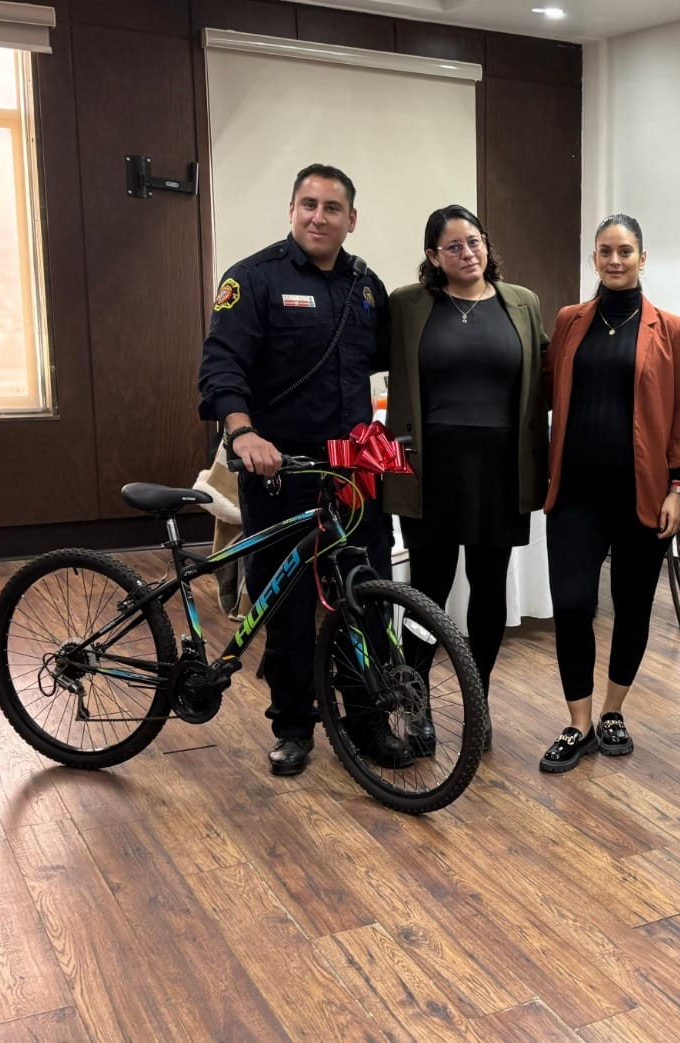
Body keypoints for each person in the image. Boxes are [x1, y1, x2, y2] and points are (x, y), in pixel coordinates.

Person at [196, 163, 404, 777]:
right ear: (291, 211)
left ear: (351, 219)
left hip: (351, 477)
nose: (319, 217)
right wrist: (243, 432)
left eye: (332, 208)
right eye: (308, 205)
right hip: (279, 473)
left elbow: (394, 364)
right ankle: (292, 724)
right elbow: (221, 367)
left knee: (364, 596)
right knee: (283, 602)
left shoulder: (368, 288)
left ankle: (366, 721)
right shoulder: (252, 279)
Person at [383, 204, 550, 755]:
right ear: (433, 256)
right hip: (430, 474)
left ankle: (477, 703)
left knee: (488, 586)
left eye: (474, 242)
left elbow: (550, 374)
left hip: (501, 473)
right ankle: (417, 699)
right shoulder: (408, 305)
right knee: (427, 590)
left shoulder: (521, 303)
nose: (468, 253)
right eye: (453, 246)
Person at [538, 214, 680, 773]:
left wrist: (678, 487)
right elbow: (543, 393)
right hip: (575, 493)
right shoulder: (569, 321)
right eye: (605, 251)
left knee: (632, 608)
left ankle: (612, 711)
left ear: (642, 258)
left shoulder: (671, 330)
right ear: (595, 259)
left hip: (643, 495)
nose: (615, 260)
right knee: (573, 605)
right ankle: (577, 722)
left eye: (625, 251)